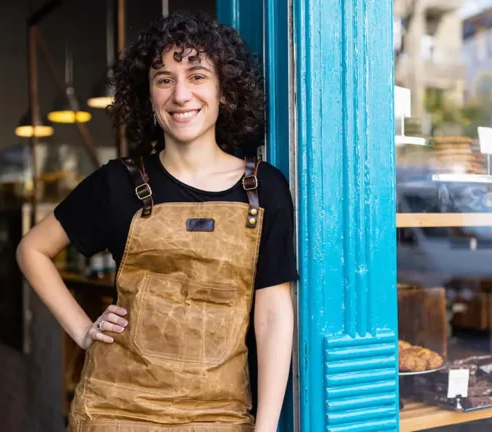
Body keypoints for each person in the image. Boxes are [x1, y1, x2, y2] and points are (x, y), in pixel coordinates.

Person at [17, 11, 296, 431]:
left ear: (224, 90)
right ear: (148, 96)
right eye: (164, 79)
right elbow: (32, 250)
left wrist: (267, 427)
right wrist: (82, 330)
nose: (181, 94)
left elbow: (273, 314)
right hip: (115, 412)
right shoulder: (117, 183)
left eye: (197, 75)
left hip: (218, 416)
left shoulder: (264, 186)